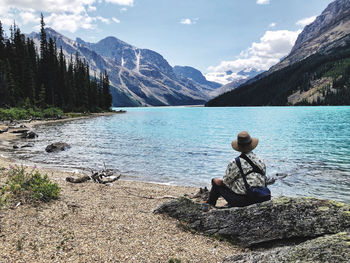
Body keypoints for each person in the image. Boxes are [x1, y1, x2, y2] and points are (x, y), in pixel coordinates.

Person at [206, 131, 269, 208]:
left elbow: (225, 182)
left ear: (239, 146)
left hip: (245, 201)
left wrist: (214, 180)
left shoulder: (236, 162)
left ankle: (209, 206)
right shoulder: (260, 160)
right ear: (251, 144)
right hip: (261, 197)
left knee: (217, 185)